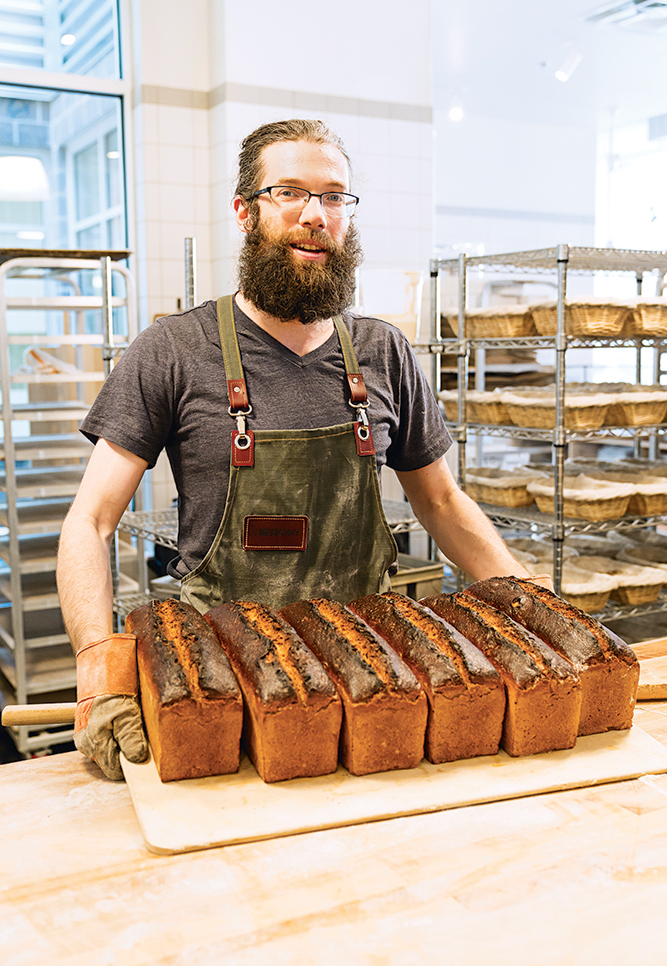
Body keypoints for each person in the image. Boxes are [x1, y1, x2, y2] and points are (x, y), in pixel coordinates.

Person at [57, 118, 542, 780]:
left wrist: (524, 601)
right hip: (222, 687)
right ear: (245, 212)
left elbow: (442, 502)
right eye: (289, 192)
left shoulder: (382, 351)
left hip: (374, 686)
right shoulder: (172, 351)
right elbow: (90, 521)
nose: (314, 215)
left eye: (333, 196)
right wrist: (98, 669)